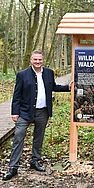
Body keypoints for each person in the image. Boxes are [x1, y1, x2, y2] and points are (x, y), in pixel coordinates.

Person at [2, 50, 71, 181]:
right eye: (35, 60)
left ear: (43, 60)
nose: (38, 62)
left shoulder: (49, 73)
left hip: (42, 112)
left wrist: (68, 87)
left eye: (40, 59)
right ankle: (13, 168)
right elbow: (17, 95)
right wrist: (14, 112)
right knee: (18, 137)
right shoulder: (22, 75)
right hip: (24, 112)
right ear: (31, 60)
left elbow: (53, 87)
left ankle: (35, 161)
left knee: (38, 138)